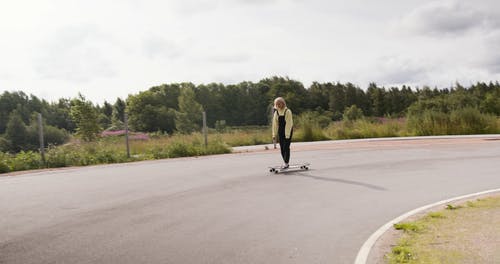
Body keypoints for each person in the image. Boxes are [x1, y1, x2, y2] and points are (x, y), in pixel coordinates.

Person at [272, 97, 293, 169]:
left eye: (279, 103)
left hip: (288, 130)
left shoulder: (288, 111)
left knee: (286, 147)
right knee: (282, 147)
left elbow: (289, 124)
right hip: (280, 131)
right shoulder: (276, 112)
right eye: (277, 104)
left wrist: (287, 135)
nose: (278, 105)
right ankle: (285, 162)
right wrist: (274, 134)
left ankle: (286, 163)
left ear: (283, 103)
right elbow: (275, 124)